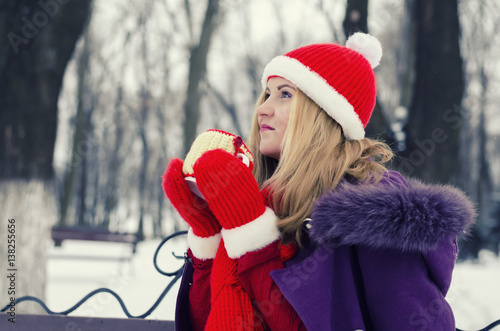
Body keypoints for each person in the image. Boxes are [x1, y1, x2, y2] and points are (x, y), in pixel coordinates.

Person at [163, 32, 476, 331]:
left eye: (285, 95)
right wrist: (209, 239)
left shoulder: (372, 213)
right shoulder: (263, 201)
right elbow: (217, 319)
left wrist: (250, 236)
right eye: (267, 94)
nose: (263, 109)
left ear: (324, 114)